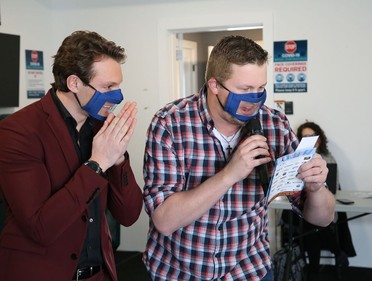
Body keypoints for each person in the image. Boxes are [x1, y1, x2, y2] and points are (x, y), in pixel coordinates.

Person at [142, 35, 335, 281]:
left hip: (249, 271)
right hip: (178, 272)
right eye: (245, 90)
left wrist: (316, 187)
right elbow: (164, 220)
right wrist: (230, 174)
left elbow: (322, 217)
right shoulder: (170, 122)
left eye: (260, 89)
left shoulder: (274, 124)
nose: (255, 100)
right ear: (214, 85)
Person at [0, 31, 143, 281]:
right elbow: (40, 227)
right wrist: (97, 163)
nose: (117, 96)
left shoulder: (102, 127)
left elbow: (129, 215)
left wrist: (118, 157)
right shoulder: (18, 131)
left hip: (99, 274)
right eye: (108, 87)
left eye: (119, 86)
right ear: (74, 83)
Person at [296, 121, 356, 280]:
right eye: (304, 137)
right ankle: (337, 252)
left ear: (319, 139)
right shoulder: (296, 158)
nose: (308, 139)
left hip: (325, 205)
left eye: (311, 136)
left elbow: (334, 186)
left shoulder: (328, 158)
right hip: (302, 205)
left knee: (313, 225)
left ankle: (313, 271)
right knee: (312, 223)